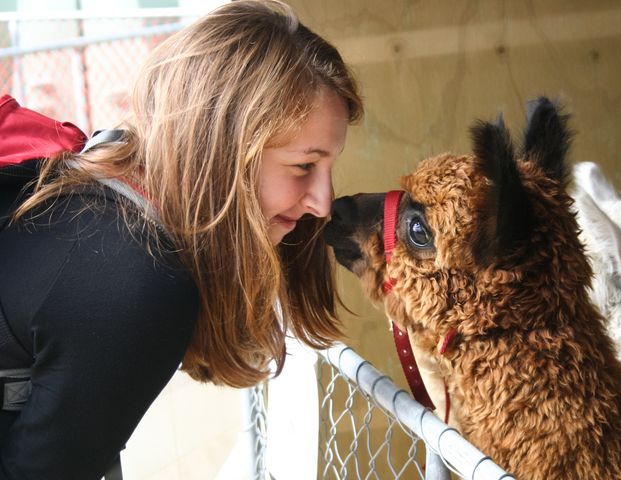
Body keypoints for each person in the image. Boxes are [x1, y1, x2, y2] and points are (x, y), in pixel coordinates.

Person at [0, 0, 362, 477]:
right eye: (303, 166)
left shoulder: (98, 179)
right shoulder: (134, 279)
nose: (323, 201)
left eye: (328, 168)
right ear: (221, 148)